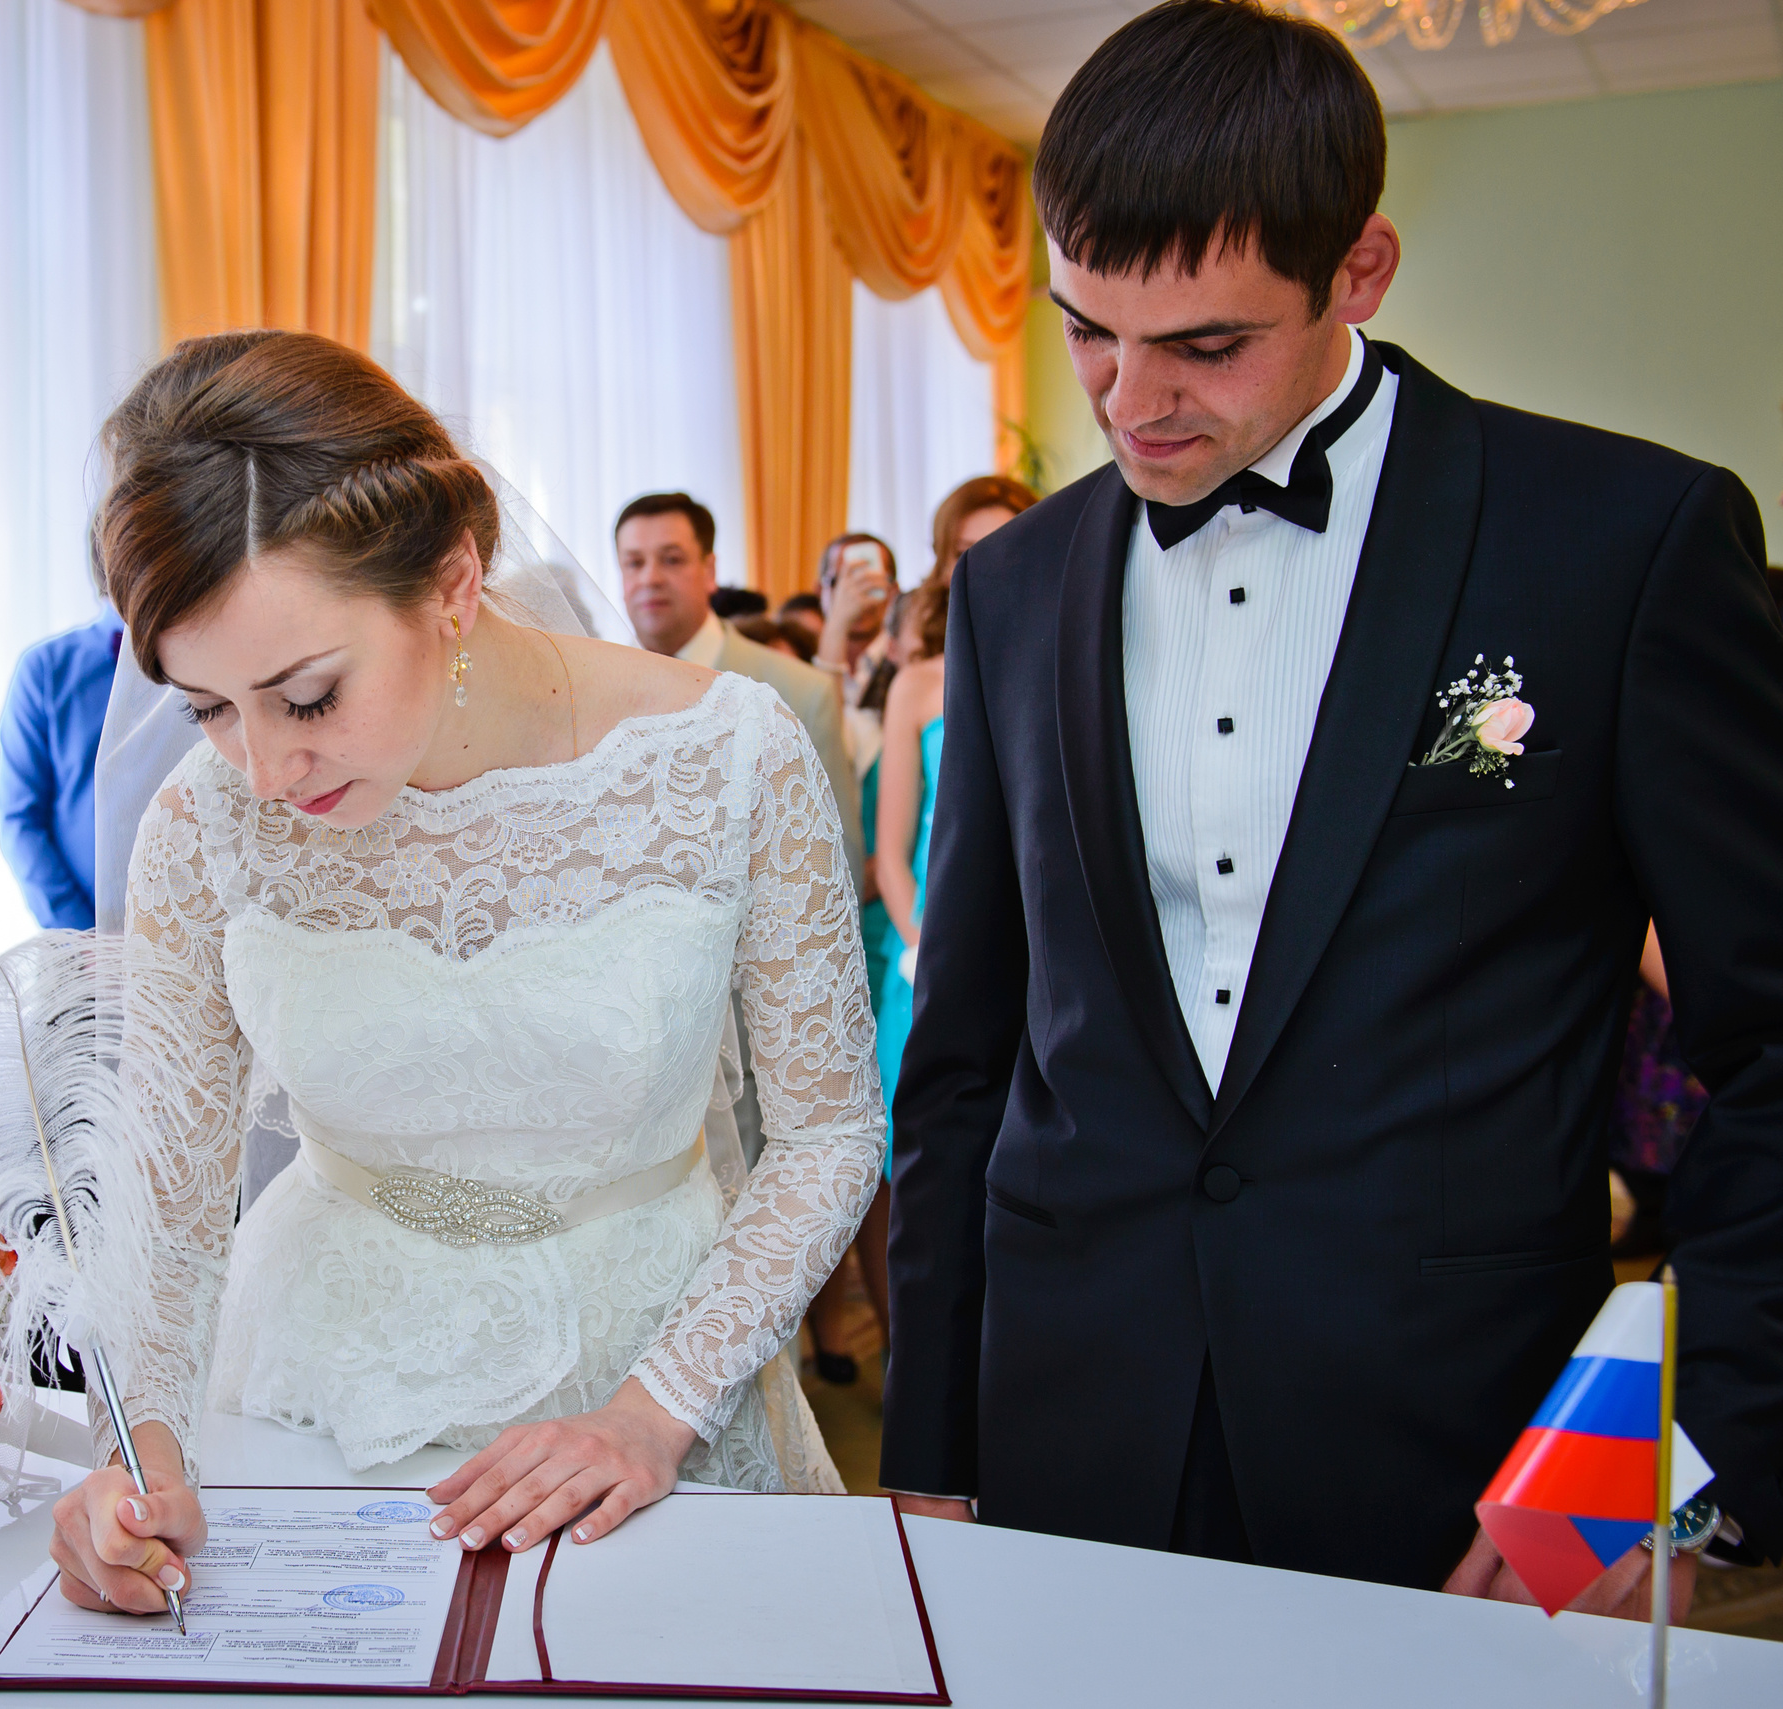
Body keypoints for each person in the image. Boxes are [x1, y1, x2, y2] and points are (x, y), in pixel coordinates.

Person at [882, 0, 1783, 1613]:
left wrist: (1649, 1463)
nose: (1127, 400)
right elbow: (965, 1059)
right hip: (1068, 1431)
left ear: (1358, 273)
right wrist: (932, 1449)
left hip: (1463, 1467)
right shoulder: (1011, 587)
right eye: (1088, 328)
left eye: (1206, 346)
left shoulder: (1623, 546)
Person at [50, 332, 883, 1618]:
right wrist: (138, 1448)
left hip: (651, 1367)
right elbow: (168, 1188)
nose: (264, 768)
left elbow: (827, 1131)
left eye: (307, 695)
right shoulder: (204, 821)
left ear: (451, 582)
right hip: (318, 1381)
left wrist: (656, 1409)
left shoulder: (728, 756)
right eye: (208, 707)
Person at [853, 478, 1038, 1343]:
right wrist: (930, 944)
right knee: (919, 1154)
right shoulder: (916, 683)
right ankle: (916, 1356)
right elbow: (890, 850)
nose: (992, 562)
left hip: (1044, 954)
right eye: (970, 549)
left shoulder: (1066, 658)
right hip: (929, 951)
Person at [616, 491, 866, 892]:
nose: (650, 578)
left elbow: (837, 863)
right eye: (634, 563)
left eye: (672, 559)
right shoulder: (604, 689)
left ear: (709, 569)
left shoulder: (800, 691)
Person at [0, 611, 127, 929]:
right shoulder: (45, 670)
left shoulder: (206, 655)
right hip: (83, 950)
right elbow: (19, 819)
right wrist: (82, 939)